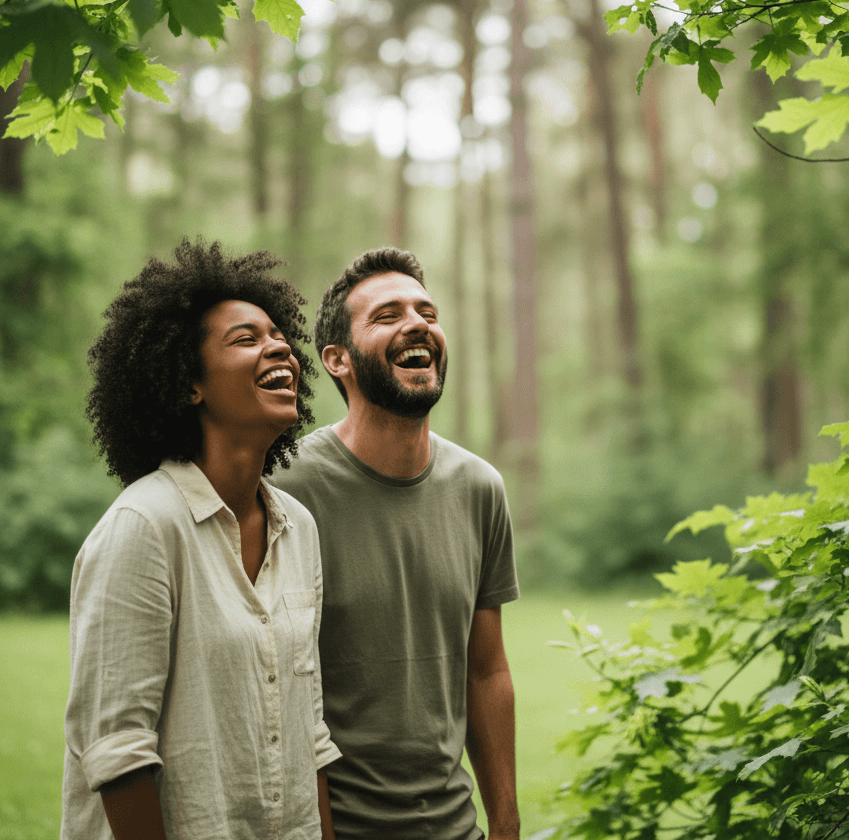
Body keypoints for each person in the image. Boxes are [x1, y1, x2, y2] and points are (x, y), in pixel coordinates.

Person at [62, 239, 341, 840]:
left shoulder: (299, 528)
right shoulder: (144, 526)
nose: (280, 348)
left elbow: (309, 731)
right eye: (246, 339)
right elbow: (118, 752)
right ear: (191, 384)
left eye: (278, 335)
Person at [269, 248, 520, 840]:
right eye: (388, 315)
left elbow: (486, 672)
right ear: (338, 360)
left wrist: (506, 825)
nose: (418, 325)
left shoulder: (480, 488)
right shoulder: (283, 489)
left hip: (455, 827)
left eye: (427, 313)